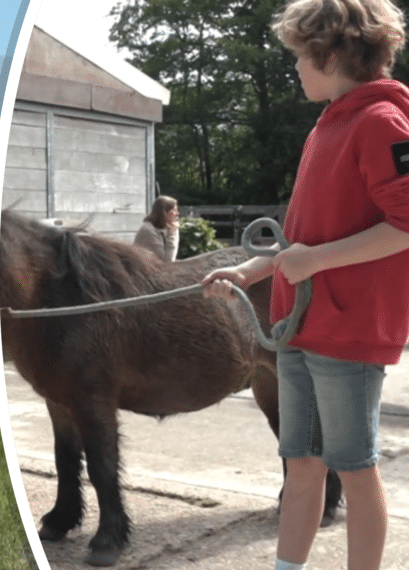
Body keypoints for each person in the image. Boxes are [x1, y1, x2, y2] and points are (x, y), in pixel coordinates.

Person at [202, 0, 409, 568]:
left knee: (355, 469)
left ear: (332, 55)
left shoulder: (381, 122)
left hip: (347, 332)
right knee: (301, 463)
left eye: (300, 57)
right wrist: (250, 270)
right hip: (300, 326)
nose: (294, 67)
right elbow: (301, 237)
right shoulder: (327, 125)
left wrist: (314, 261)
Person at [133, 195, 180, 261]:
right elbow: (167, 261)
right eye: (174, 210)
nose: (177, 213)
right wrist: (172, 235)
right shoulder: (148, 231)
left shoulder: (169, 227)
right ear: (164, 212)